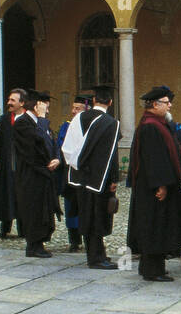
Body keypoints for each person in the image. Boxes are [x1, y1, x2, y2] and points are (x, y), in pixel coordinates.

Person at [126, 86, 181, 282]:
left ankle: (153, 267)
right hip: (153, 189)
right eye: (166, 102)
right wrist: (161, 185)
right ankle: (153, 270)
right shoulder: (150, 126)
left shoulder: (157, 123)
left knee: (158, 227)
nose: (170, 105)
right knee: (154, 227)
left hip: (156, 187)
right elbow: (154, 159)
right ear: (154, 104)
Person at [64, 85, 120, 269]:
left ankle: (97, 253)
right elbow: (111, 155)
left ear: (94, 101)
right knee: (98, 217)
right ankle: (96, 258)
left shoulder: (79, 117)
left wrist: (77, 165)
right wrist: (114, 179)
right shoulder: (111, 123)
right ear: (110, 102)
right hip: (100, 179)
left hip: (80, 176)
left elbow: (68, 147)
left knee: (86, 215)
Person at [12, 90, 63, 258]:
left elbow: (52, 141)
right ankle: (33, 245)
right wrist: (41, 119)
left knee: (44, 210)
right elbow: (37, 143)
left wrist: (56, 158)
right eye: (44, 107)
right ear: (36, 106)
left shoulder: (42, 123)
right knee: (33, 209)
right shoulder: (23, 123)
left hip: (45, 173)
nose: (47, 110)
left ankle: (40, 242)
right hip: (31, 175)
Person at [56, 95, 90, 251]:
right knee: (71, 207)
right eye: (73, 108)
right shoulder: (66, 126)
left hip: (87, 175)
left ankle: (89, 238)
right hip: (70, 173)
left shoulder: (91, 125)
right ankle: (74, 240)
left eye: (77, 108)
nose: (73, 111)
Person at [0, 88, 27, 238]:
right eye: (9, 100)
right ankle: (5, 228)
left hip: (23, 167)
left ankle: (24, 229)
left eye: (13, 100)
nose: (9, 103)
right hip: (7, 166)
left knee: (22, 196)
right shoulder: (5, 119)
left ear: (22, 103)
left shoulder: (29, 119)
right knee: (7, 195)